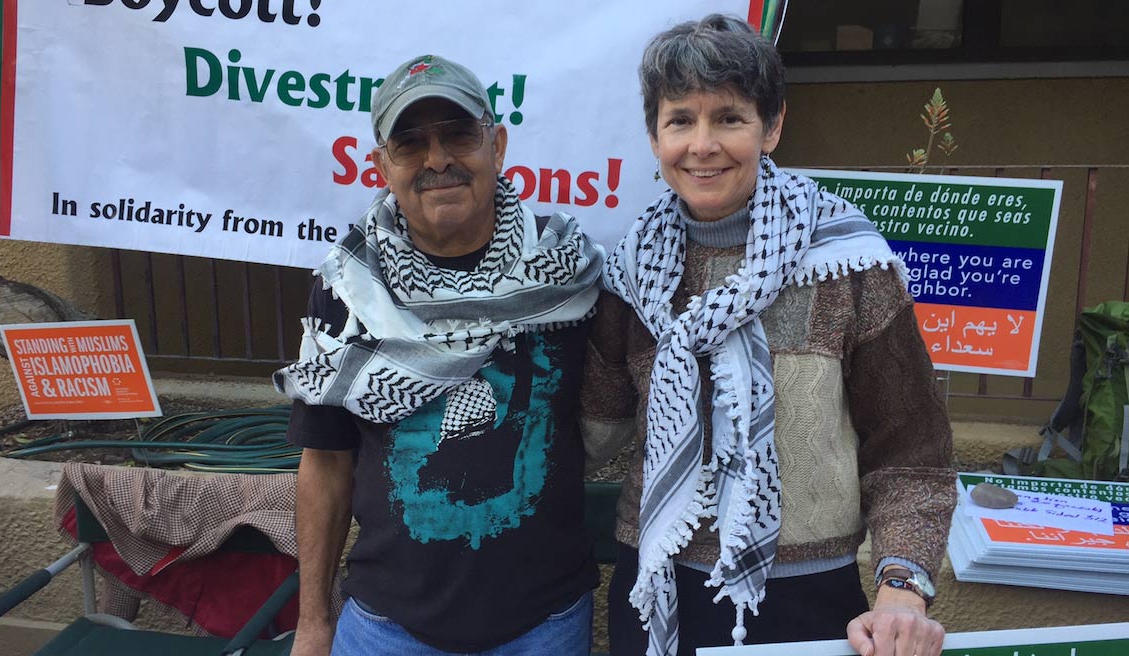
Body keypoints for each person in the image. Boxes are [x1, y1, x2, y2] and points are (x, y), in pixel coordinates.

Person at [580, 15, 957, 656]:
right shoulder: (629, 273)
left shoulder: (848, 262)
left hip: (806, 602)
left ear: (772, 126)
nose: (702, 145)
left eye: (728, 118)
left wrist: (903, 582)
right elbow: (588, 430)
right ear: (654, 135)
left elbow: (912, 454)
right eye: (680, 121)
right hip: (657, 592)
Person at [274, 54, 605, 656]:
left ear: (497, 145)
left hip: (544, 624)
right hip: (385, 627)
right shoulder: (348, 287)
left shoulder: (570, 274)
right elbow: (324, 464)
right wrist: (314, 622)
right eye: (410, 143)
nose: (437, 160)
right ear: (381, 165)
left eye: (458, 134)